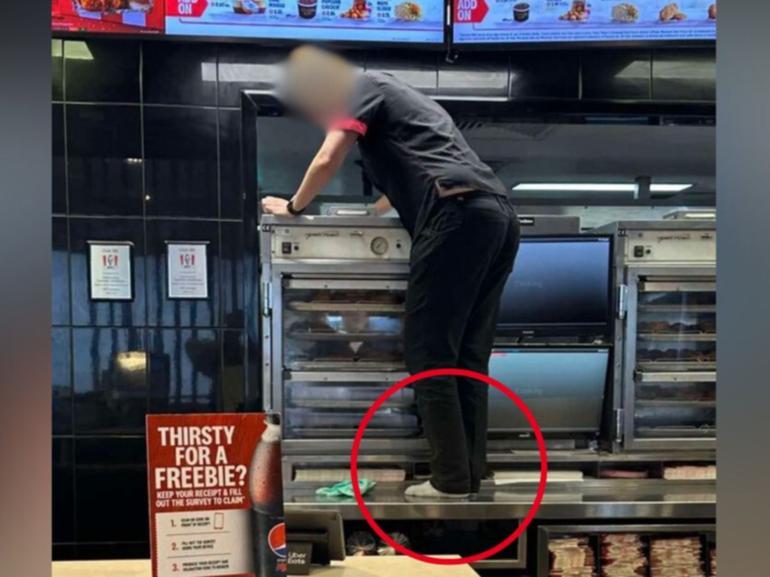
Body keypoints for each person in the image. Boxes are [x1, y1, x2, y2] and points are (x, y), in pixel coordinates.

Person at [262, 46, 520, 500]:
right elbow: (400, 192)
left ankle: (449, 481)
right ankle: (470, 476)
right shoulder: (410, 103)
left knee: (428, 353)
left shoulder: (361, 88)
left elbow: (326, 160)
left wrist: (294, 208)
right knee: (466, 356)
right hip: (496, 216)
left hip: (455, 215)